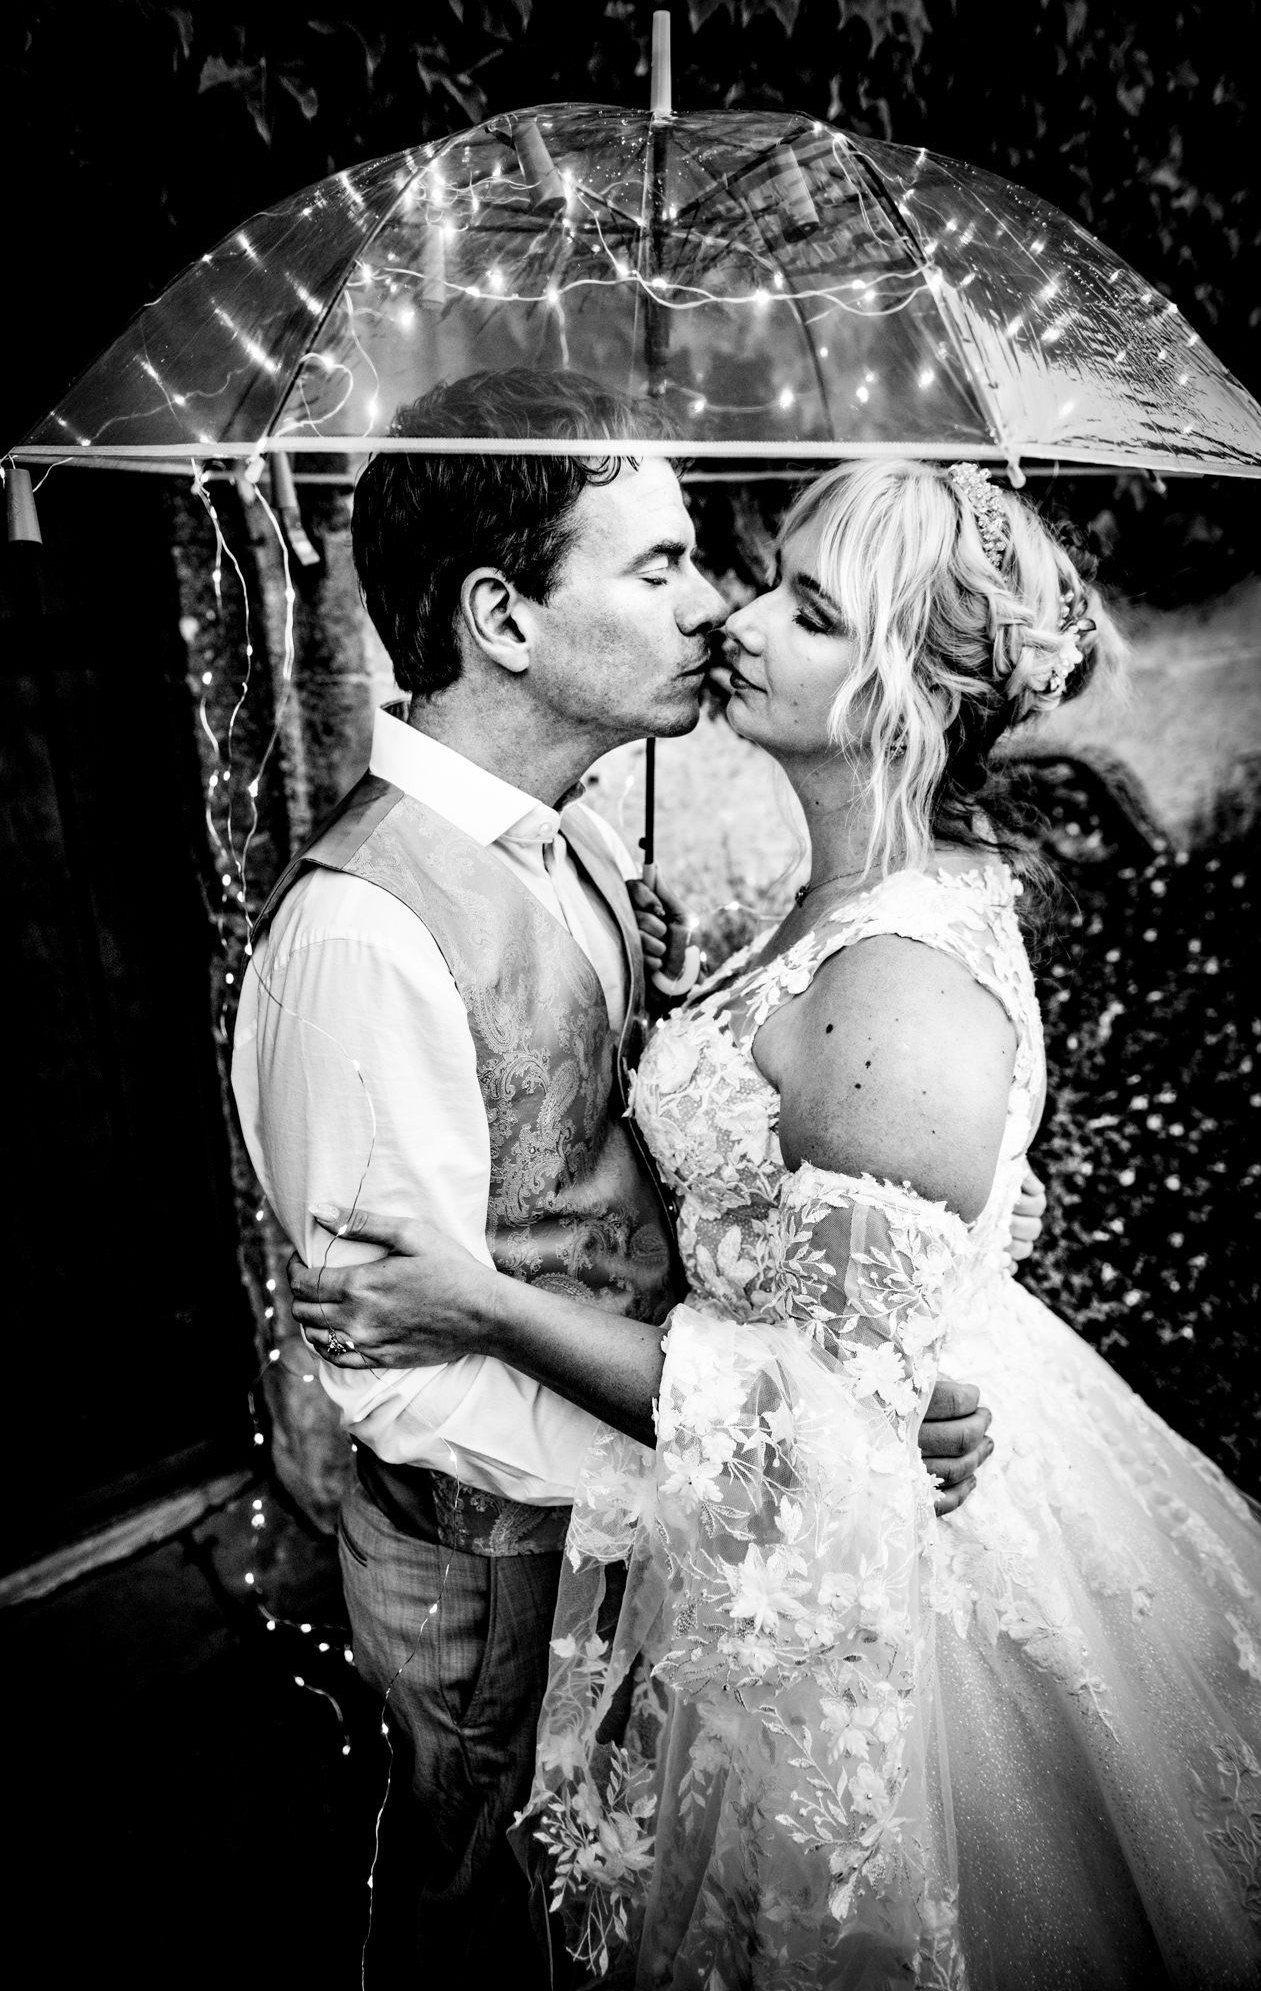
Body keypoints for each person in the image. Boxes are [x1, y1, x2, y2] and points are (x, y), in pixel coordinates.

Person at [289, 456, 1261, 1988]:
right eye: (758, 580)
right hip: (733, 1534)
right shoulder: (817, 919)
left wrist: (474, 1301)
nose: (735, 619)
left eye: (803, 610)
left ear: (897, 700)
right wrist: (684, 1000)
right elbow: (786, 1225)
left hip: (859, 1583)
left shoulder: (898, 986)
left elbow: (816, 1416)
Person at [232, 372, 1030, 1985]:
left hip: (682, 1528)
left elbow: (710, 1190)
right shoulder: (356, 937)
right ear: (502, 620)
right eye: (657, 568)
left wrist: (867, 1399)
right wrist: (723, 1483)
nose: (713, 609)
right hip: (499, 1572)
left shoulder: (585, 840)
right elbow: (394, 1375)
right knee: (483, 1908)